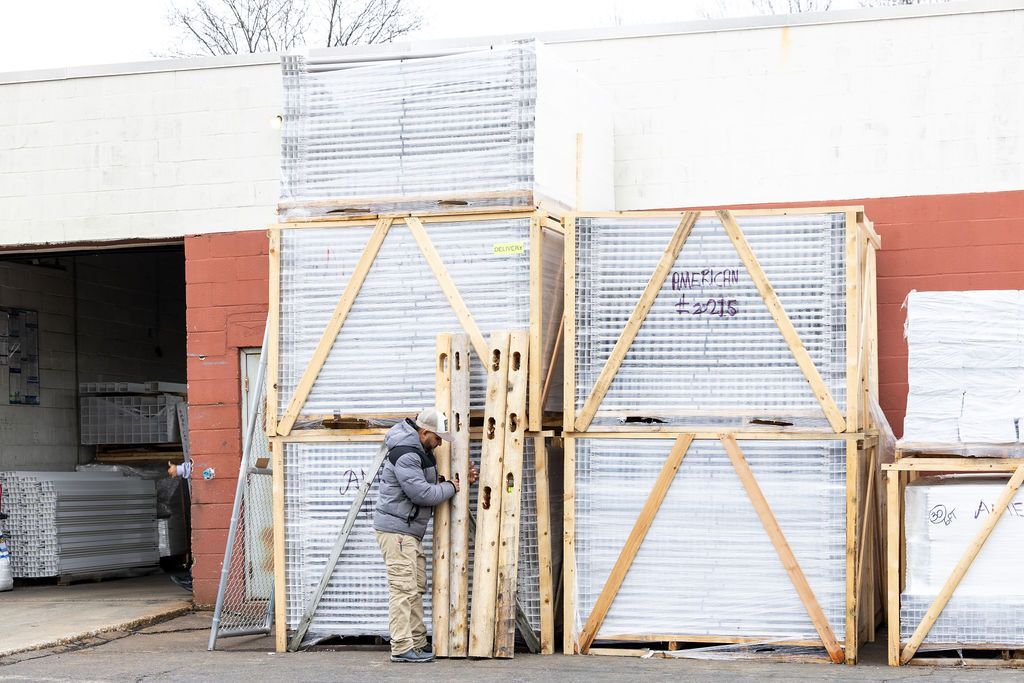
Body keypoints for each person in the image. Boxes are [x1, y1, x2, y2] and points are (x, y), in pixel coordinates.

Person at [374, 408, 477, 663]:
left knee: (415, 587)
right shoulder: (406, 453)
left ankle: (417, 643)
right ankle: (400, 646)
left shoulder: (421, 451)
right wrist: (452, 486)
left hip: (409, 532)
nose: (440, 442)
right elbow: (422, 494)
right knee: (402, 588)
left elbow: (431, 485)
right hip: (397, 531)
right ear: (424, 432)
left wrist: (459, 480)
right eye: (438, 437)